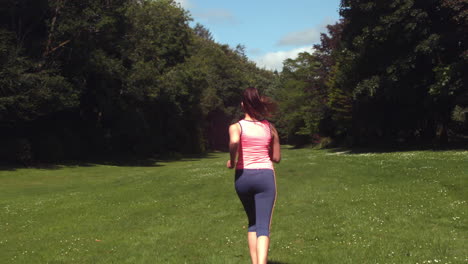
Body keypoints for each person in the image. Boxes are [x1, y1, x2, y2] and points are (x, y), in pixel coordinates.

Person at [227, 87, 281, 264]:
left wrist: (232, 161)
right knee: (263, 227)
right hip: (265, 176)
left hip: (243, 177)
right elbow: (276, 158)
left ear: (243, 106)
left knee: (252, 223)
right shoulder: (269, 127)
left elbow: (234, 141)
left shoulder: (236, 127)